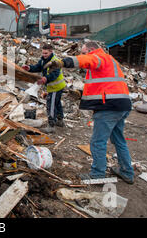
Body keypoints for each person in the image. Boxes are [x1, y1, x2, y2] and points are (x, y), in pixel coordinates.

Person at [44, 41, 134, 184]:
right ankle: (127, 172)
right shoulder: (111, 60)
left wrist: (62, 62)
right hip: (122, 104)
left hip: (108, 105)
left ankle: (97, 174)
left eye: (84, 52)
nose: (82, 55)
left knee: (98, 141)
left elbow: (86, 59)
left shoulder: (98, 57)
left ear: (92, 50)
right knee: (118, 140)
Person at [22, 43, 67, 129]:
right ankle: (60, 120)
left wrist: (45, 79)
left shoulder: (55, 61)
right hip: (53, 87)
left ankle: (51, 125)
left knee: (51, 105)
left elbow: (54, 74)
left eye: (46, 53)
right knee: (57, 103)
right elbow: (38, 67)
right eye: (43, 53)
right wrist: (30, 68)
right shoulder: (43, 60)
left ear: (51, 52)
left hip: (56, 87)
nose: (44, 55)